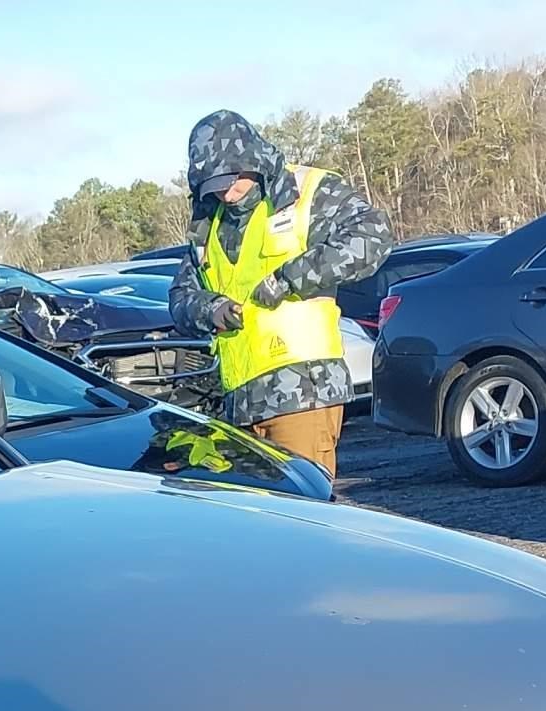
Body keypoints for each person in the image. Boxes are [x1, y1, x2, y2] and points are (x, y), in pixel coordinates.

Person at [167, 110, 391, 480]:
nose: (226, 190)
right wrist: (210, 308)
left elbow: (373, 236)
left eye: (231, 177)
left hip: (303, 395)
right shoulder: (209, 225)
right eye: (215, 183)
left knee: (308, 519)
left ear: (253, 159)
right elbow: (180, 296)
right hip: (238, 406)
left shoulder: (308, 193)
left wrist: (290, 278)